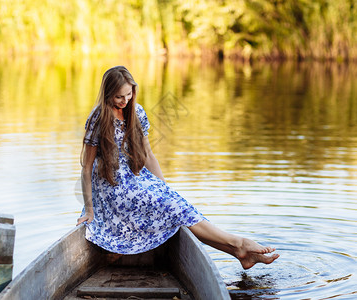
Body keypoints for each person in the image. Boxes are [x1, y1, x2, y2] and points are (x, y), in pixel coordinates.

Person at [77, 66, 279, 269]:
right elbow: (86, 168)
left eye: (129, 94)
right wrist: (90, 210)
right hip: (110, 186)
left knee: (175, 204)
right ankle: (239, 246)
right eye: (119, 97)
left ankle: (239, 250)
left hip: (134, 178)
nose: (125, 101)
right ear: (108, 93)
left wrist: (165, 189)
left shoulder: (136, 112)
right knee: (173, 208)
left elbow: (147, 155)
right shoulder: (99, 118)